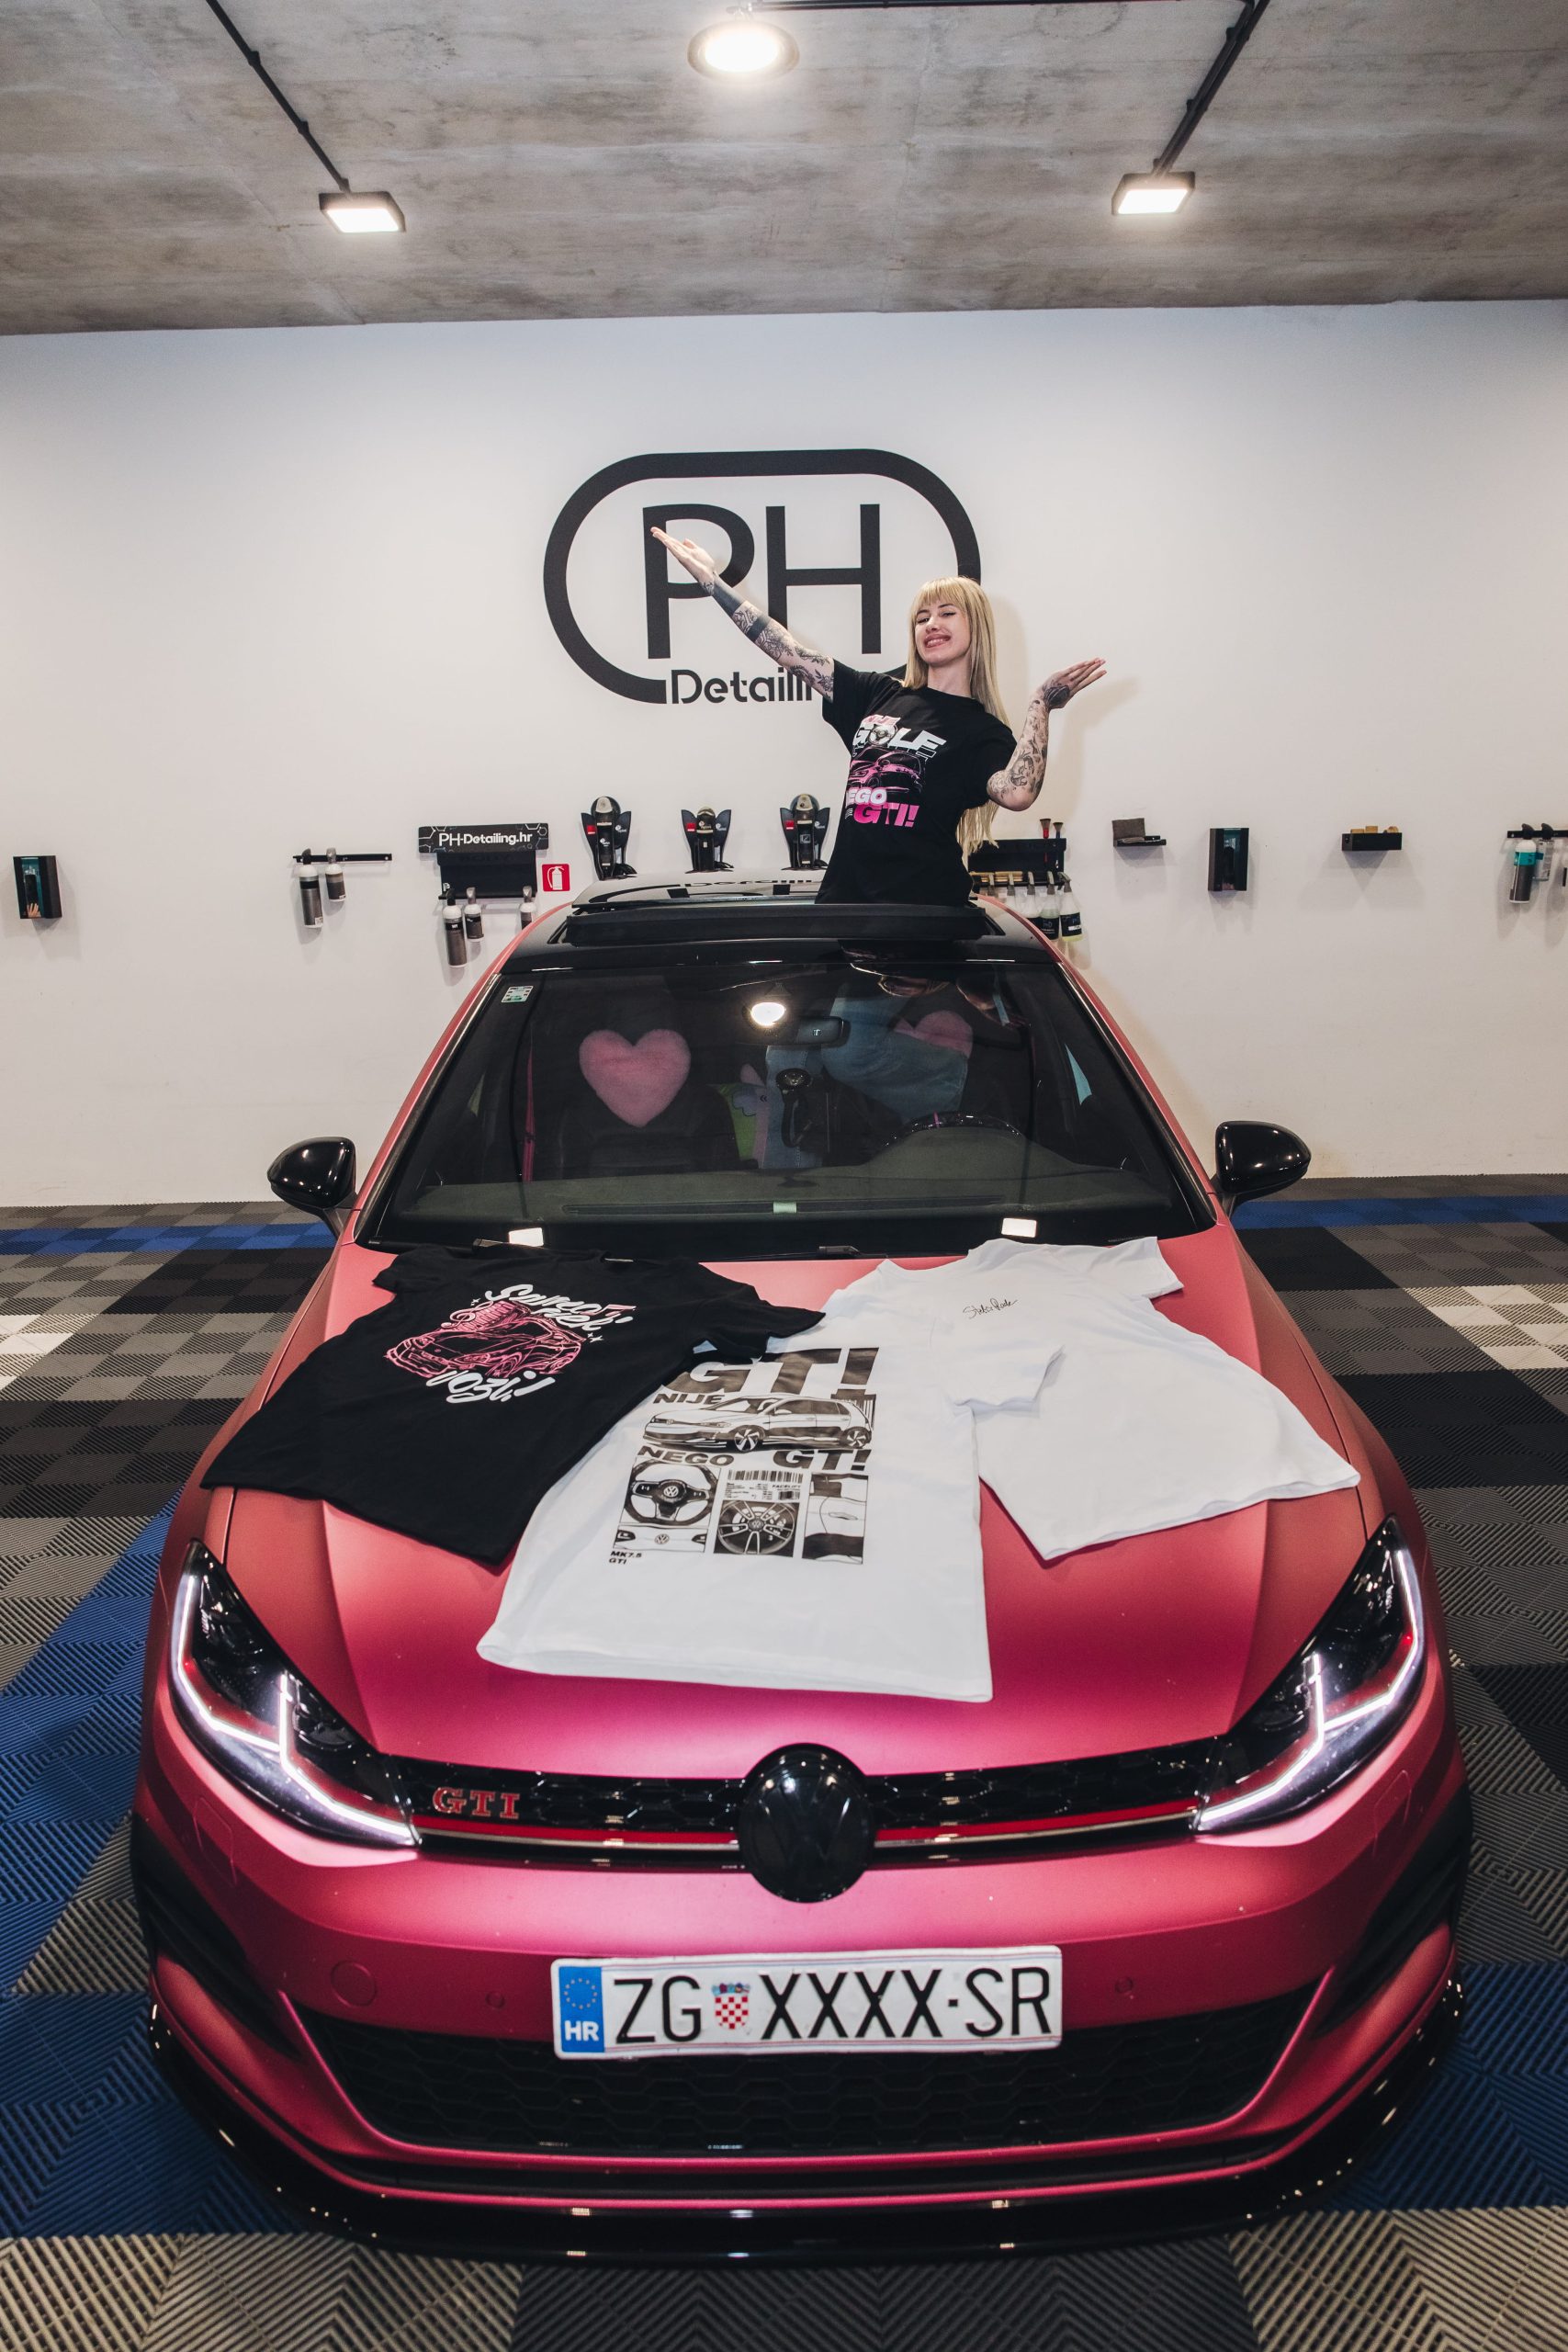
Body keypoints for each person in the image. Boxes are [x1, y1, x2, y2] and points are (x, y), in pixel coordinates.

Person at [651, 526, 1105, 907]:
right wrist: (712, 582)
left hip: (925, 914)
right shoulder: (876, 693)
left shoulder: (982, 731)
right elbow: (786, 650)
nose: (931, 625)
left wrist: (1040, 705)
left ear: (977, 627)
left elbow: (1017, 793)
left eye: (947, 613)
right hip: (844, 904)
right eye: (921, 618)